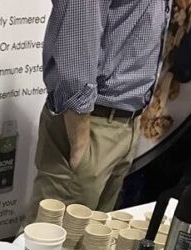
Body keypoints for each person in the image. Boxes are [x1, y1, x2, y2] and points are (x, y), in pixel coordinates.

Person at [27, 0, 171, 220]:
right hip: (92, 122)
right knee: (53, 234)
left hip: (125, 122)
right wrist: (80, 141)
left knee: (93, 236)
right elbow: (78, 34)